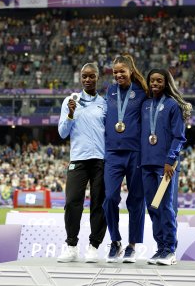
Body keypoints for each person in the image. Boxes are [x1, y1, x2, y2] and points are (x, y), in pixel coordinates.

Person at [141, 69, 192, 266]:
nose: (155, 83)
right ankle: (160, 248)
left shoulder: (172, 105)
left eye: (159, 80)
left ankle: (170, 250)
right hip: (147, 164)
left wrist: (170, 160)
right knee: (153, 208)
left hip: (165, 167)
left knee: (166, 207)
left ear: (166, 83)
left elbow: (179, 136)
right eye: (152, 80)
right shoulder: (145, 105)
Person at [57, 63, 107, 263]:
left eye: (91, 76)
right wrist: (70, 114)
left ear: (97, 78)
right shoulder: (70, 100)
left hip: (100, 160)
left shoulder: (103, 103)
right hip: (78, 159)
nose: (88, 79)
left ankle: (94, 246)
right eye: (84, 76)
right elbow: (62, 133)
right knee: (72, 203)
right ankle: (71, 246)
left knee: (98, 204)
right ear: (80, 78)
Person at [103, 54, 149, 263]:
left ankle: (132, 245)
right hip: (112, 152)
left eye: (122, 71)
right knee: (110, 198)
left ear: (130, 71)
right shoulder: (110, 91)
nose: (118, 75)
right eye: (115, 72)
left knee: (136, 200)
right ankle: (115, 241)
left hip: (135, 152)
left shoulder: (142, 92)